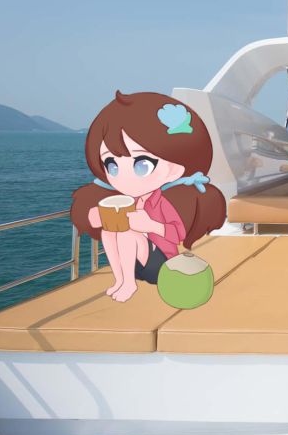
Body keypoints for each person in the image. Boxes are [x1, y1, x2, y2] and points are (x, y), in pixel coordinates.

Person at [70, 91, 226, 302]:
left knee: (126, 234)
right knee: (109, 231)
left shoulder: (162, 202)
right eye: (112, 165)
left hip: (162, 265)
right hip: (134, 262)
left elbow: (176, 234)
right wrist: (96, 217)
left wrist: (151, 225)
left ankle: (128, 284)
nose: (125, 178)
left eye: (142, 165)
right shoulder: (129, 201)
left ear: (174, 169)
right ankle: (120, 279)